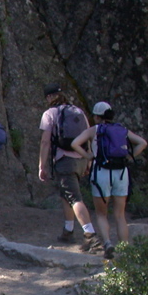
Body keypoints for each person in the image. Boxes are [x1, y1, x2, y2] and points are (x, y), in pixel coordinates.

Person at [70, 101, 148, 259]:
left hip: (101, 172)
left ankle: (107, 243)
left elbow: (75, 143)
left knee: (101, 214)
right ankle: (125, 249)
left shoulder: (94, 130)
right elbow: (142, 143)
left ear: (97, 116)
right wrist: (129, 156)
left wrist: (88, 156)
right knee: (120, 214)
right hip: (121, 172)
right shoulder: (122, 130)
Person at [38, 82, 100, 252]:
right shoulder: (78, 112)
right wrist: (88, 161)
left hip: (64, 160)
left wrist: (41, 166)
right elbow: (88, 137)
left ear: (50, 97)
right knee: (66, 195)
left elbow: (45, 141)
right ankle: (68, 231)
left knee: (74, 198)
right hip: (80, 159)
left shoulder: (50, 113)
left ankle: (91, 236)